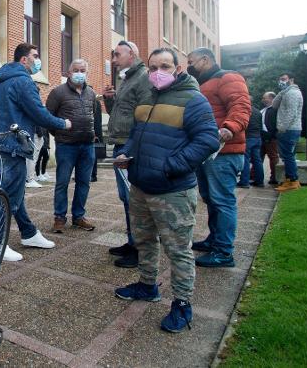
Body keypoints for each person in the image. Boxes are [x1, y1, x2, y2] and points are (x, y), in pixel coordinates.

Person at [114, 47, 219, 333]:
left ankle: (182, 304)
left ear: (178, 68)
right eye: (153, 67)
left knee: (178, 250)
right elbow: (137, 133)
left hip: (172, 191)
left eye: (166, 66)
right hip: (141, 187)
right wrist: (128, 154)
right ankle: (147, 285)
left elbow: (208, 140)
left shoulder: (193, 100)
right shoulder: (147, 96)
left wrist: (171, 165)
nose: (159, 72)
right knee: (144, 241)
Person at [0, 43, 71, 262]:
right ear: (24, 60)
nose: (37, 60)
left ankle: (29, 233)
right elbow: (38, 113)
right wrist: (64, 123)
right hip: (13, 145)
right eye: (35, 55)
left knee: (15, 194)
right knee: (7, 196)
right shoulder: (23, 81)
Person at [187, 47, 250, 268]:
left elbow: (241, 106)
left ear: (205, 60)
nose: (189, 66)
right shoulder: (203, 84)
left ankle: (223, 252)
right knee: (212, 199)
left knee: (222, 201)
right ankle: (214, 240)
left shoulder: (228, 78)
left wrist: (229, 128)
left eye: (191, 61)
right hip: (207, 153)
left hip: (224, 152)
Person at [103, 40, 154, 268]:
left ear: (131, 54)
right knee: (127, 198)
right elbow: (119, 112)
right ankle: (132, 241)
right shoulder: (127, 77)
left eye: (117, 54)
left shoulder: (142, 77)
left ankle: (139, 249)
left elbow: (144, 114)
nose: (113, 59)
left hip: (129, 147)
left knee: (134, 199)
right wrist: (109, 99)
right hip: (121, 144)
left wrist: (132, 148)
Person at [46, 59, 98, 233]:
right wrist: (60, 134)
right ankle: (59, 218)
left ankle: (79, 216)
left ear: (87, 73)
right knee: (62, 182)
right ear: (68, 73)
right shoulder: (57, 93)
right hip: (66, 146)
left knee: (84, 182)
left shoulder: (91, 93)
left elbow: (94, 116)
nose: (79, 73)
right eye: (76, 70)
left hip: (87, 146)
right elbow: (48, 118)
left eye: (83, 70)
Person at [273, 72, 304, 192]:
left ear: (291, 80)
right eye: (280, 79)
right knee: (287, 156)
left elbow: (292, 113)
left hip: (289, 129)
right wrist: (281, 92)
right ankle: (290, 179)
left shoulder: (292, 93)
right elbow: (274, 105)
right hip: (290, 129)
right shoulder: (287, 92)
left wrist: (282, 128)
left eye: (283, 79)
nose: (281, 81)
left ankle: (292, 180)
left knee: (288, 156)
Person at [237, 105, 264, 188]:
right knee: (257, 160)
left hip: (248, 137)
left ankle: (244, 182)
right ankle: (259, 181)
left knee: (245, 160)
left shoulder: (245, 111)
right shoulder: (258, 111)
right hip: (257, 138)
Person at [260, 91, 279, 185]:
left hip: (270, 138)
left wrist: (270, 136)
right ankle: (257, 176)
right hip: (262, 137)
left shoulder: (274, 110)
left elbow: (273, 125)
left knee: (273, 157)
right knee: (259, 157)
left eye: (265, 98)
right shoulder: (264, 110)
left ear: (271, 98)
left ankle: (275, 177)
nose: (263, 100)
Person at [91, 89, 103, 182]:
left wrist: (95, 133)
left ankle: (93, 175)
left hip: (94, 133)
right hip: (88, 132)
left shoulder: (96, 103)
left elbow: (97, 120)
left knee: (92, 156)